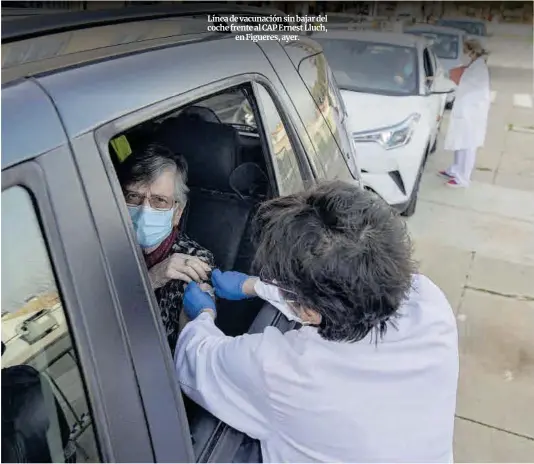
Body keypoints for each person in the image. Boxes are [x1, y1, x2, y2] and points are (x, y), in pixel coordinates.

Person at [176, 181, 459, 463]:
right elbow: (350, 293)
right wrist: (254, 286)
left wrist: (203, 315)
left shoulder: (285, 372)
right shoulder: (430, 304)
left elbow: (195, 360)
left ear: (309, 313)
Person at [117, 143, 214, 355]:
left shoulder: (193, 262)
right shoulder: (106, 248)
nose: (144, 212)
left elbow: (185, 353)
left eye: (159, 200)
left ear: (177, 211)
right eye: (133, 197)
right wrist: (151, 279)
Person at [440, 38, 491, 188]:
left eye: (466, 51)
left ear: (472, 51)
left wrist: (458, 78)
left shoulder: (479, 68)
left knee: (468, 145)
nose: (464, 54)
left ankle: (463, 178)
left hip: (472, 113)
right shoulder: (473, 65)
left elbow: (474, 88)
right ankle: (455, 170)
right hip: (465, 111)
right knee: (459, 141)